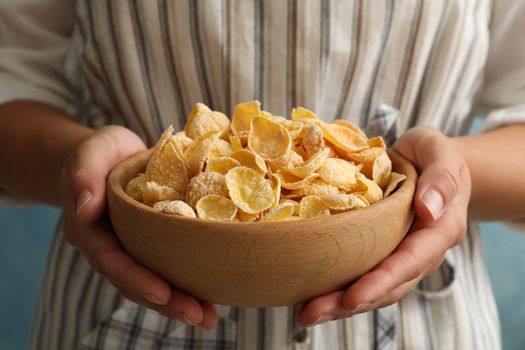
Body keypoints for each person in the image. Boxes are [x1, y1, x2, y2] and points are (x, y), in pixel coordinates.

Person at [1, 0, 524, 349]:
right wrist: (81, 165)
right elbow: (12, 80)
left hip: (419, 326)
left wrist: (445, 177)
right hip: (122, 291)